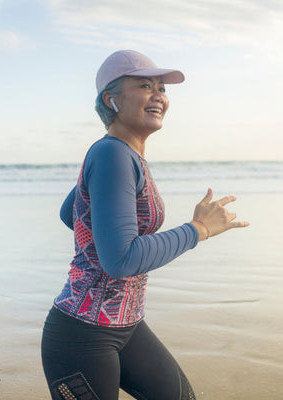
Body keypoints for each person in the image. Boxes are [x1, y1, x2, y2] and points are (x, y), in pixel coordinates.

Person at [41, 50, 249, 400]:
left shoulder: (123, 153)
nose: (159, 95)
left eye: (162, 88)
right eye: (144, 85)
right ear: (112, 100)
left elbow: (72, 213)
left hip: (128, 326)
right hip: (81, 337)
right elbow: (120, 260)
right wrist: (198, 229)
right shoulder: (112, 154)